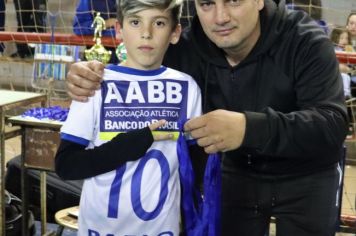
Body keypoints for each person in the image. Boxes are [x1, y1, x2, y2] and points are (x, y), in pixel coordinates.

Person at [66, 0, 348, 235]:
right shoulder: (187, 47)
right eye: (207, 4)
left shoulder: (305, 41)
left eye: (233, 1)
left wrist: (249, 128)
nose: (220, 17)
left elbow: (333, 123)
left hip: (307, 174)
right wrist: (91, 75)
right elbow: (141, 60)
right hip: (235, 173)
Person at [56, 0, 203, 235]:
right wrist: (130, 144)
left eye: (159, 22)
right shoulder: (95, 84)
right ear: (119, 30)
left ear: (175, 33)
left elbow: (194, 166)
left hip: (163, 230)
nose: (146, 33)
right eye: (135, 22)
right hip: (100, 229)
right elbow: (66, 166)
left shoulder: (187, 87)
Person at [330, 27, 353, 98]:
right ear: (335, 38)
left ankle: (346, 94)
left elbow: (351, 64)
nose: (345, 41)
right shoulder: (332, 49)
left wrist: (350, 52)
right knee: (343, 77)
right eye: (342, 38)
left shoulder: (349, 49)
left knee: (346, 77)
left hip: (346, 72)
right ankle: (345, 94)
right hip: (334, 73)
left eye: (346, 38)